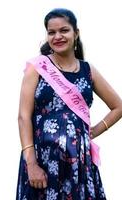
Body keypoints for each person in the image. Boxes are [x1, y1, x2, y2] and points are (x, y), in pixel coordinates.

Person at [16, 8, 122, 200]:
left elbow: (118, 106)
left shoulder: (88, 71)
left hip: (79, 163)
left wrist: (94, 131)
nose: (58, 36)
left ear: (76, 33)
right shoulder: (37, 67)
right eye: (51, 32)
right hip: (43, 161)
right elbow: (23, 117)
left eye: (64, 30)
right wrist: (31, 164)